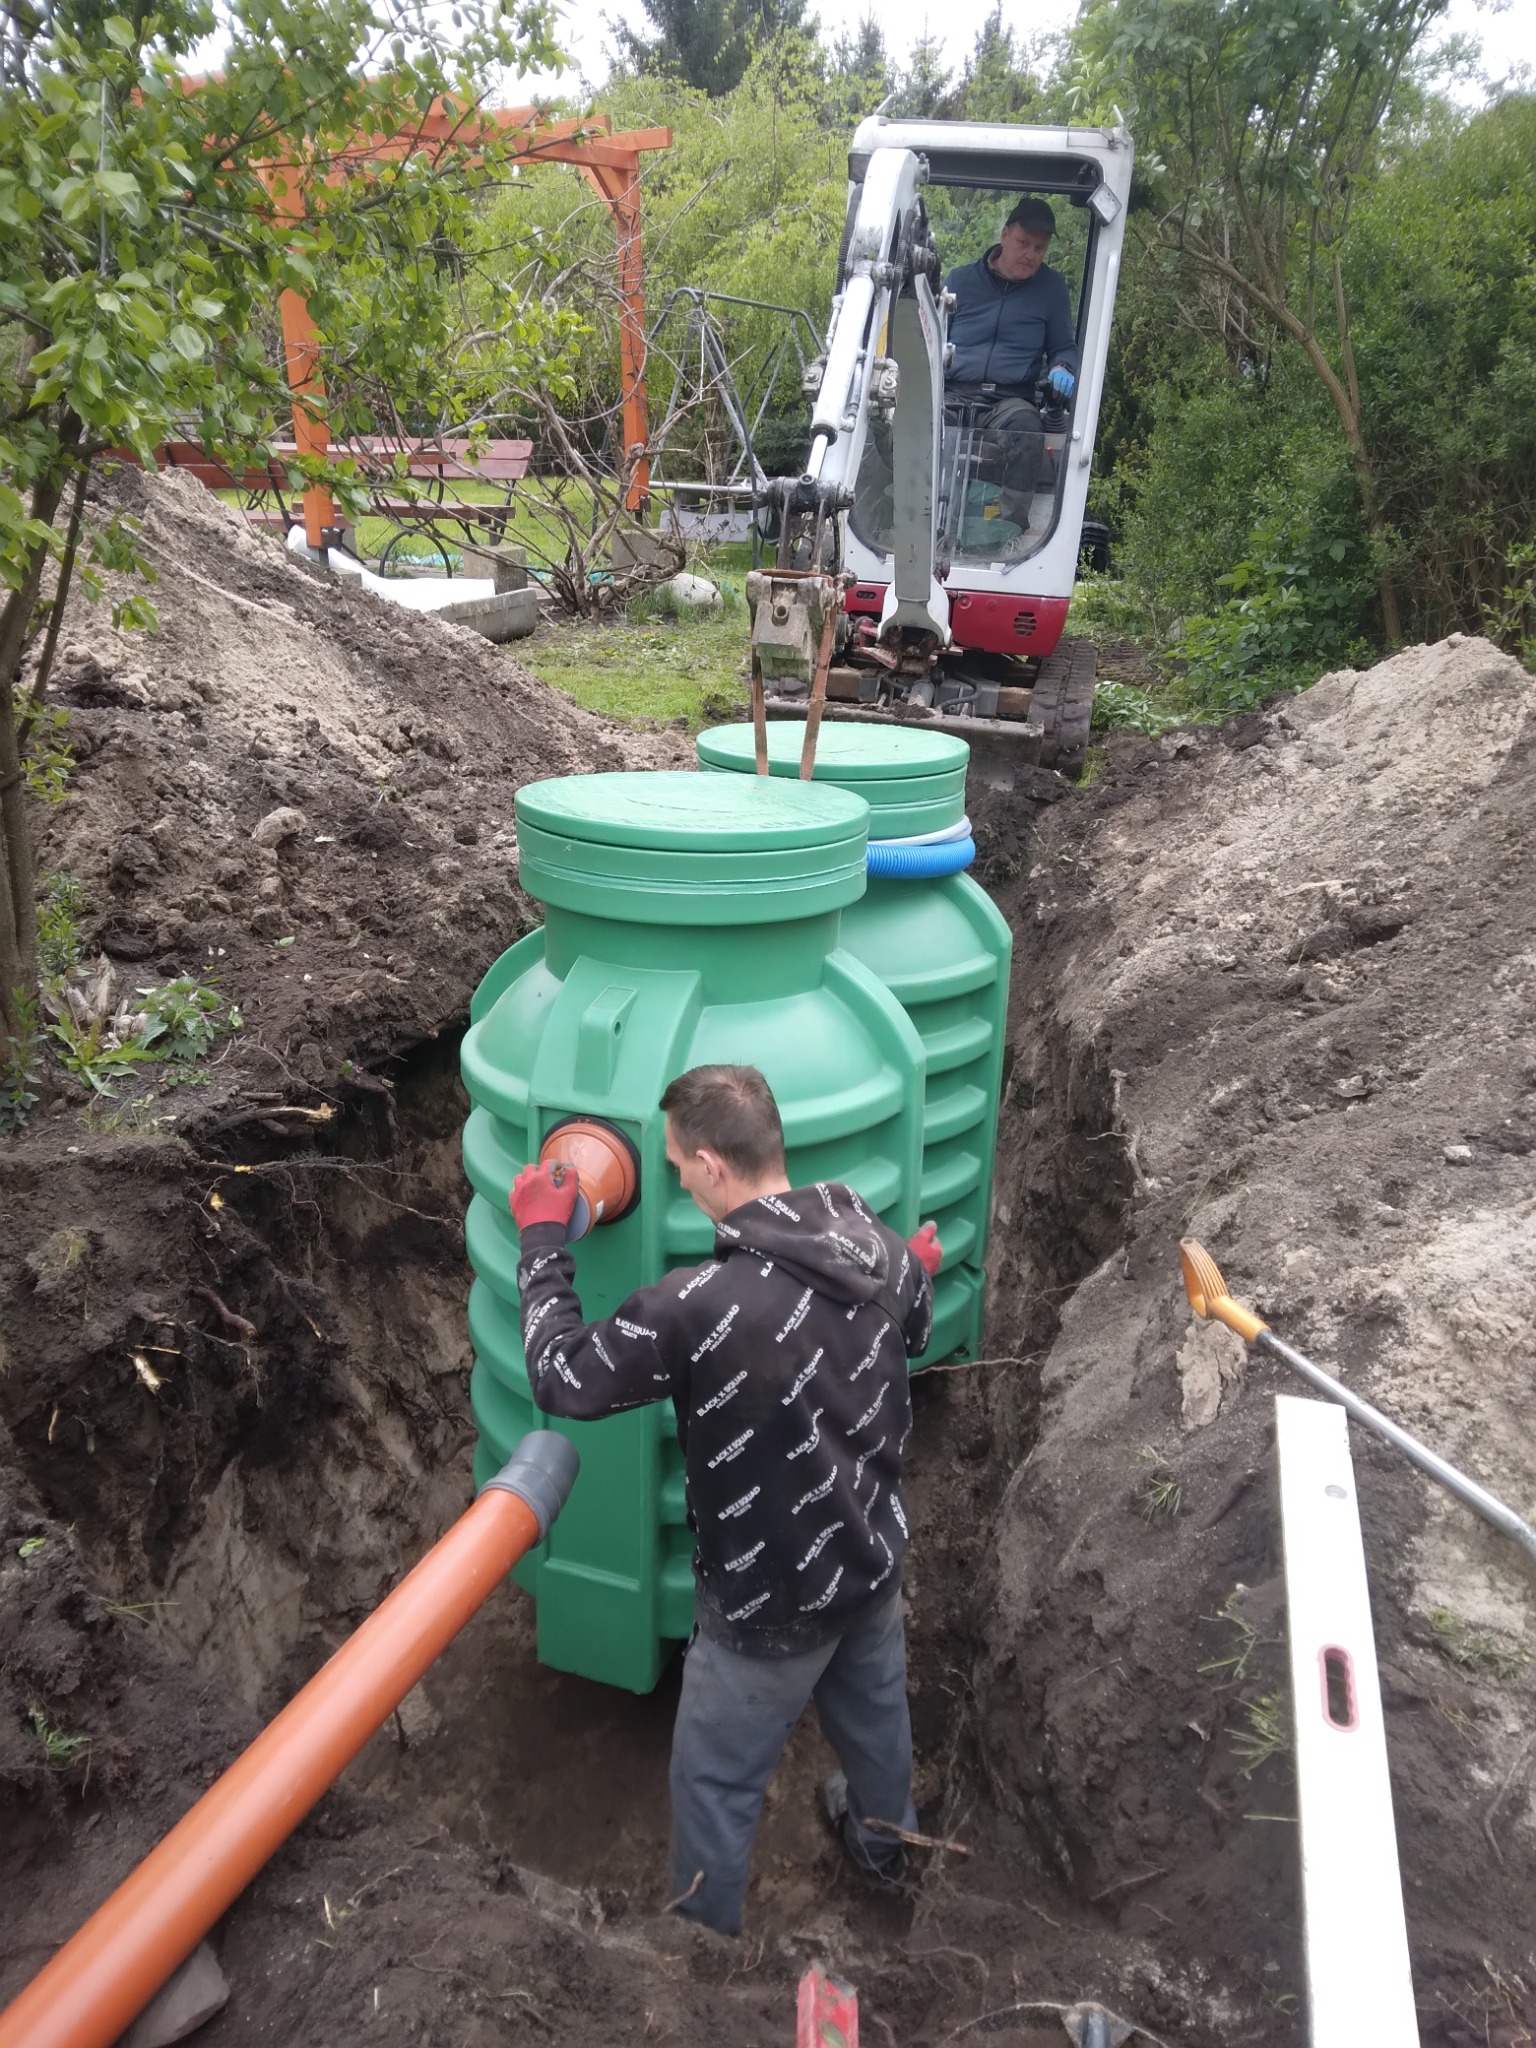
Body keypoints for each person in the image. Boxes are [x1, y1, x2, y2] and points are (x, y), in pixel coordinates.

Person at [507, 1063, 942, 1939]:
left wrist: (544, 1239)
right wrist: (911, 1272)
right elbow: (916, 1326)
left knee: (715, 1780)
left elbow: (562, 1377)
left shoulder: (696, 1306)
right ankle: (884, 1851)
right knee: (877, 1726)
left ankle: (704, 1955)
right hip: (869, 1563)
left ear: (710, 1164)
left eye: (676, 1165)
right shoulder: (879, 1245)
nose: (674, 1180)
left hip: (767, 1607)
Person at [944, 197, 1078, 522]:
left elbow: (1064, 346)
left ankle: (1007, 529)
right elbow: (931, 337)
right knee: (920, 426)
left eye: (1039, 248)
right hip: (953, 393)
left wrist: (1063, 367)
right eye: (1023, 243)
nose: (1031, 254)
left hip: (1009, 401)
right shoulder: (959, 281)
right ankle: (922, 518)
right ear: (1005, 235)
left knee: (1028, 430)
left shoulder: (1052, 289)